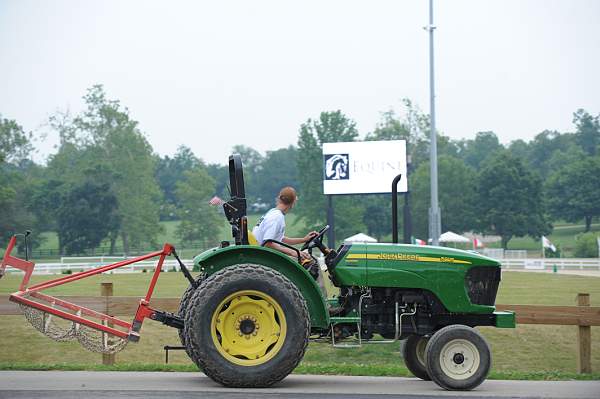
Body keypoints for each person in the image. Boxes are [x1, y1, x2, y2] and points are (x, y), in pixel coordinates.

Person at [252, 186, 317, 263]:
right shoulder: (276, 217)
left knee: (304, 258)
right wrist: (293, 252)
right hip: (263, 257)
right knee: (309, 262)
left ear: (279, 198)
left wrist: (303, 239)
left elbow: (280, 239)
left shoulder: (273, 212)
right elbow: (267, 243)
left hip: (261, 253)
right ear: (293, 202)